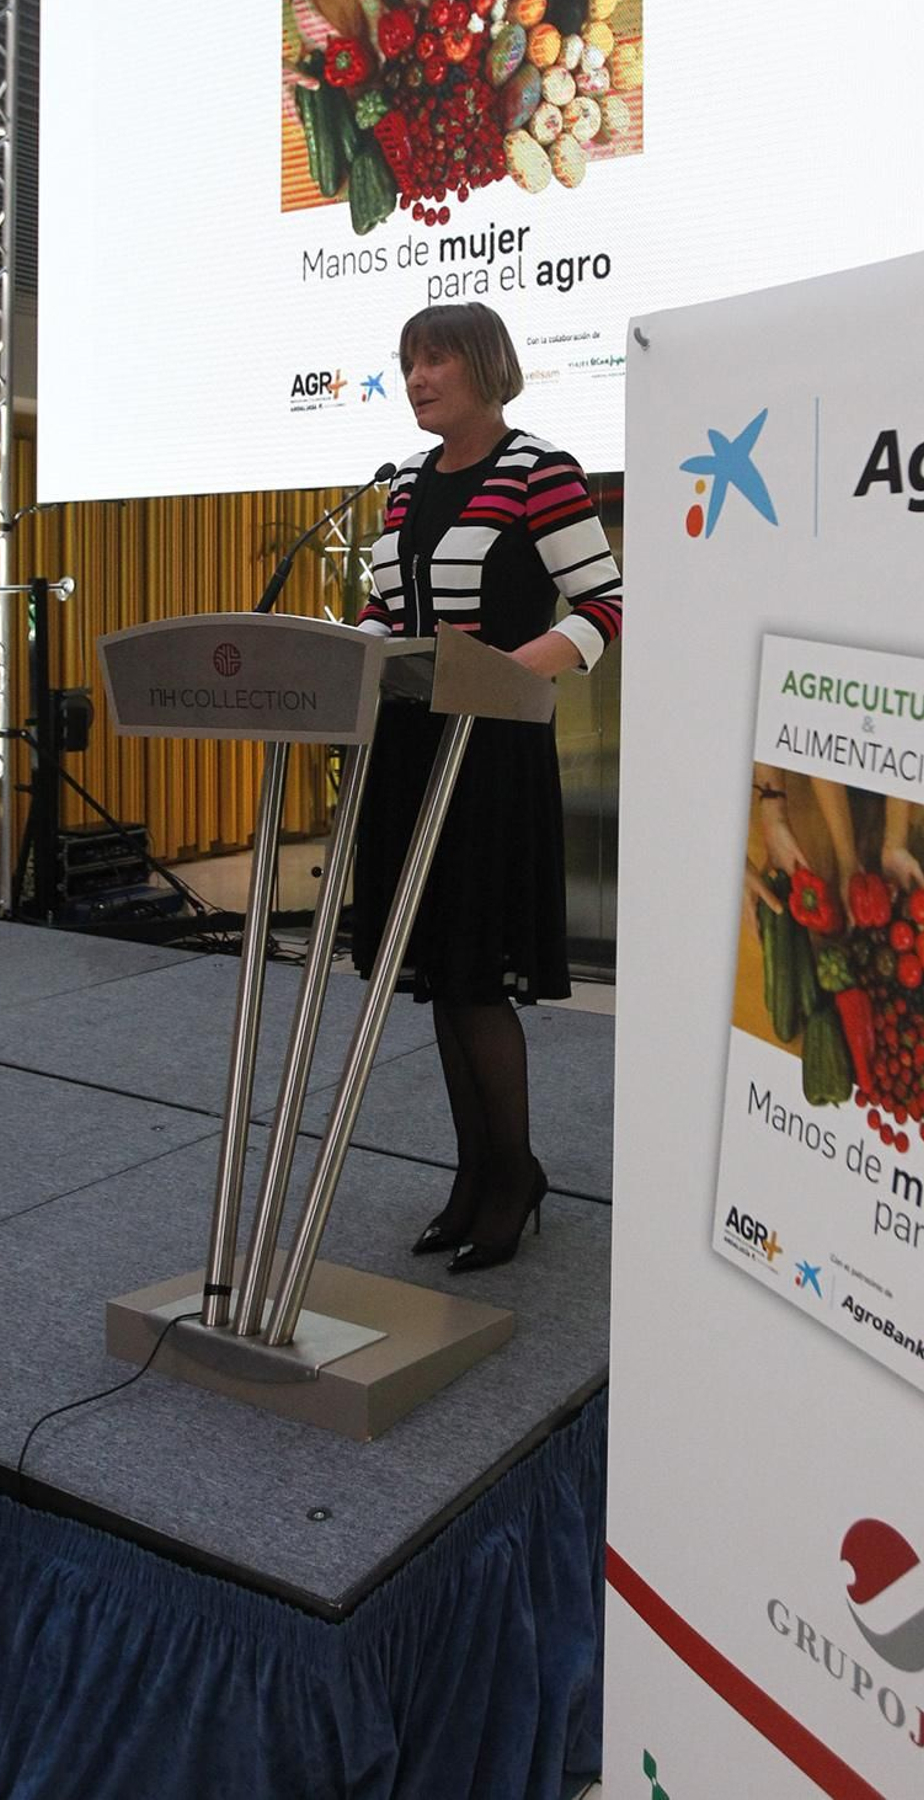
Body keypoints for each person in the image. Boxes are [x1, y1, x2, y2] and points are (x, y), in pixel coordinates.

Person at [350, 302, 623, 1272]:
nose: (418, 378)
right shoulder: (403, 486)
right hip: (407, 751)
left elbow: (605, 606)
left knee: (474, 981)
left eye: (436, 360)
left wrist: (515, 671)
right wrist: (353, 647)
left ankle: (513, 1178)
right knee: (436, 980)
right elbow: (389, 610)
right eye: (407, 360)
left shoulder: (536, 473)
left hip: (489, 752)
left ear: (485, 367)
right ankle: (475, 1175)